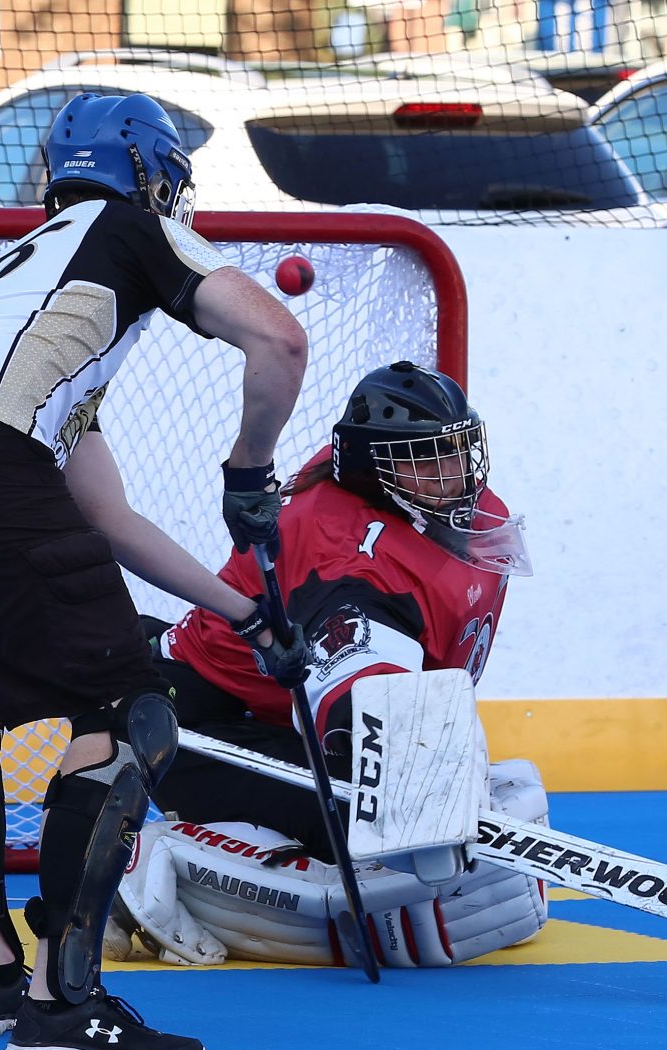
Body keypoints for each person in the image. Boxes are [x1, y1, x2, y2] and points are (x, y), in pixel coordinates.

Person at [0, 92, 311, 1050]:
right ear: (151, 172)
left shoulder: (12, 294)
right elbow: (278, 338)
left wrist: (242, 614)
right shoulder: (134, 229)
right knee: (130, 710)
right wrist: (250, 471)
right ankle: (67, 1005)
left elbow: (106, 518)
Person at [108, 360, 553, 970]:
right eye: (425, 458)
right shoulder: (349, 561)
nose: (451, 473)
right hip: (195, 725)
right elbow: (358, 712)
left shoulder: (437, 507)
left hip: (273, 713)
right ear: (374, 467)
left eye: (456, 450)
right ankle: (150, 855)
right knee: (370, 839)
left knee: (505, 796)